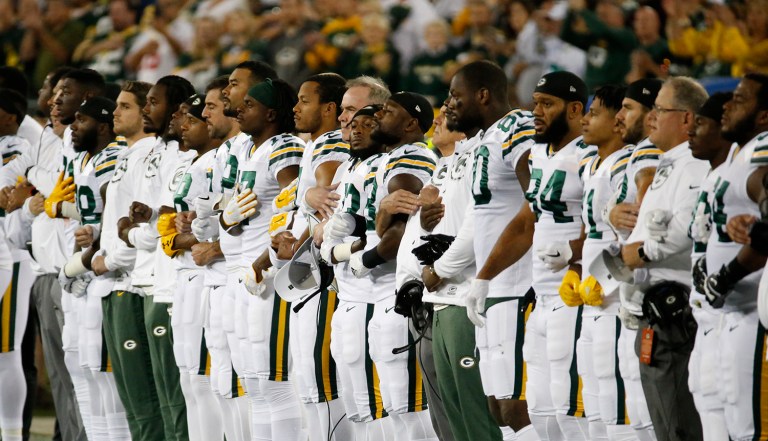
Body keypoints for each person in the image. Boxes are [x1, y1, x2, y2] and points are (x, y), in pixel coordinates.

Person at [470, 70, 595, 440]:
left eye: (547, 104)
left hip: (576, 296)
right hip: (541, 299)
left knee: (575, 414)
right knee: (540, 414)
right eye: (536, 103)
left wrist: (573, 250)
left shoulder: (590, 154)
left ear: (575, 109)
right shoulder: (540, 153)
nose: (536, 111)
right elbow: (526, 222)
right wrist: (483, 277)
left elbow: (606, 223)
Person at [615, 76, 709, 441]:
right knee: (664, 425)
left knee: (679, 425)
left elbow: (683, 230)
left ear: (686, 118)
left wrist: (637, 253)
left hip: (675, 314)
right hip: (651, 311)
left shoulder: (694, 165)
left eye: (659, 109)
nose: (650, 117)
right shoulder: (670, 163)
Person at [696, 74, 768, 440]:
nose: (727, 106)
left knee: (750, 430)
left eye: (739, 100)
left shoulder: (761, 148)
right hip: (730, 314)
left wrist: (727, 275)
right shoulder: (739, 154)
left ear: (763, 116)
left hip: (754, 314)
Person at [570, 84, 636, 440]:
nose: (585, 120)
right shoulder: (590, 162)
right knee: (593, 393)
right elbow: (590, 230)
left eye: (594, 113)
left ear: (617, 121)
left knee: (615, 394)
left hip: (616, 294)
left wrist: (604, 277)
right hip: (591, 292)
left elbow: (632, 234)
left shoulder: (627, 163)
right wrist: (577, 269)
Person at [680, 92, 734, 441]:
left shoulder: (741, 172)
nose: (691, 131)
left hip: (732, 315)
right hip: (704, 318)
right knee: (707, 409)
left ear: (724, 126)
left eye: (701, 123)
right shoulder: (712, 175)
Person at [0, 88, 33, 441]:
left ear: (10, 115)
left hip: (11, 254)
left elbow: (9, 195)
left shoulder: (16, 147)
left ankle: (11, 435)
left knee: (6, 351)